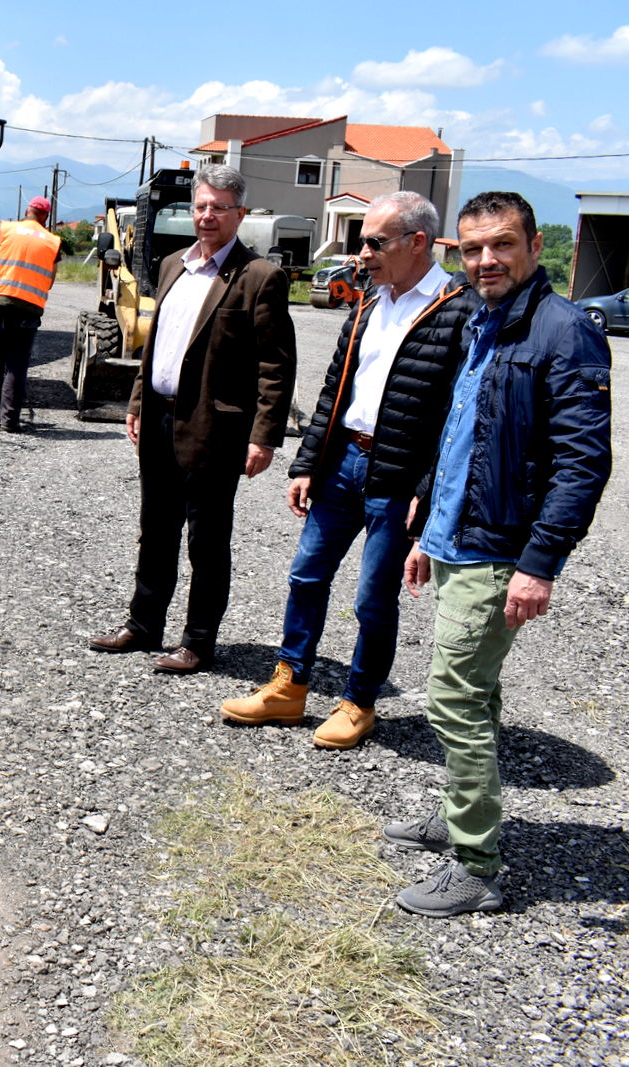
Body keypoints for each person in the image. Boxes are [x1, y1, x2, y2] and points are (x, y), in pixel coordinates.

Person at [385, 191, 611, 917]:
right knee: (475, 692)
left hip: (502, 551)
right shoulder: (483, 321)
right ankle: (460, 814)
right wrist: (430, 532)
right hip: (459, 538)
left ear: (533, 245)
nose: (486, 259)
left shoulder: (562, 330)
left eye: (502, 244)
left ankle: (477, 865)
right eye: (473, 247)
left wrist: (540, 563)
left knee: (452, 697)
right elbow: (462, 438)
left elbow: (583, 463)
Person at [219, 191, 475, 747]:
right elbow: (335, 385)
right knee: (306, 575)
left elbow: (461, 415)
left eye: (373, 241)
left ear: (417, 243)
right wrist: (308, 461)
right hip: (343, 462)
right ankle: (289, 687)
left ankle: (359, 702)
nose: (361, 252)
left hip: (399, 476)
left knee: (372, 598)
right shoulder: (367, 300)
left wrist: (427, 492)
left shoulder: (461, 309)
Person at [88, 163, 295, 673]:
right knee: (155, 529)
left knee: (206, 540)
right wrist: (137, 402)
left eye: (218, 208)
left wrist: (263, 436)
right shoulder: (172, 264)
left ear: (239, 214)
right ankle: (142, 625)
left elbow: (276, 364)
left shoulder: (259, 277)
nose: (207, 216)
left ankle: (198, 642)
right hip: (159, 418)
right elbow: (156, 346)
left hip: (215, 428)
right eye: (200, 206)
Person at [0, 195, 61, 432]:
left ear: (26, 210)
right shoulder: (53, 242)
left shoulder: (5, 229)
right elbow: (49, 281)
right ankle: (9, 421)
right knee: (17, 364)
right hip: (29, 308)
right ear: (46, 217)